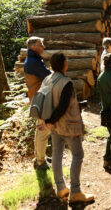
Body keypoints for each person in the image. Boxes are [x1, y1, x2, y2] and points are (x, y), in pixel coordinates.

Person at [44, 53, 94, 204]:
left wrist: (48, 121)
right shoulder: (66, 82)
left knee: (57, 154)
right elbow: (63, 106)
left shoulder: (47, 79)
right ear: (64, 64)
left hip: (54, 126)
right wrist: (51, 120)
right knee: (78, 155)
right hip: (69, 126)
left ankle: (61, 189)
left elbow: (48, 102)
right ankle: (76, 192)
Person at [24, 37, 52, 171]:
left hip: (38, 98)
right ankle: (40, 161)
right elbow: (48, 77)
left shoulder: (35, 60)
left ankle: (40, 157)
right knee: (43, 130)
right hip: (40, 100)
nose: (43, 47)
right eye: (41, 45)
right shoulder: (34, 62)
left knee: (41, 128)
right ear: (33, 46)